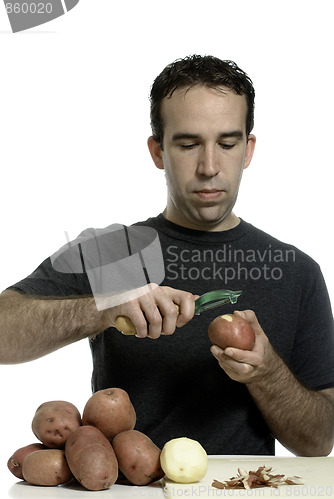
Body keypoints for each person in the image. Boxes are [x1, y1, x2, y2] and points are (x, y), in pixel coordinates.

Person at [1, 55, 334, 457]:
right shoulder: (113, 252)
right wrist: (104, 308)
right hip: (125, 489)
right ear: (157, 151)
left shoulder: (297, 271)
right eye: (188, 144)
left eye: (227, 144)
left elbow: (320, 441)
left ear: (247, 151)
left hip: (245, 489)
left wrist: (268, 374)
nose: (209, 167)